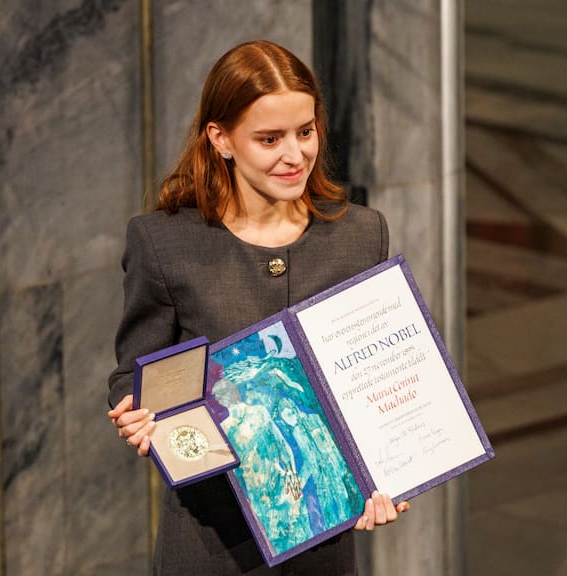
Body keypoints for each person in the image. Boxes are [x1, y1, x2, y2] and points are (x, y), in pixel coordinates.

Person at [107, 39, 409, 575]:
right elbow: (136, 374)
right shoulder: (165, 243)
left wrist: (389, 471)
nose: (294, 155)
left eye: (305, 132)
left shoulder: (360, 235)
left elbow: (374, 384)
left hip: (323, 543)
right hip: (210, 542)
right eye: (269, 139)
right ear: (221, 138)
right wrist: (137, 412)